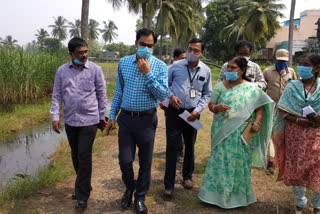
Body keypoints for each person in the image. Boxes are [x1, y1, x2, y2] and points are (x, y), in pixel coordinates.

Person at [105, 28, 168, 214]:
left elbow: (163, 94)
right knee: (125, 161)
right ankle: (129, 187)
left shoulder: (160, 66)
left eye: (150, 46)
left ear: (153, 47)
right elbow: (118, 91)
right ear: (136, 44)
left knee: (145, 162)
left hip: (147, 120)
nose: (146, 48)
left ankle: (140, 197)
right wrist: (112, 116)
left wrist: (147, 73)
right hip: (125, 119)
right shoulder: (124, 62)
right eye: (143, 44)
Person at [199, 56, 274, 208]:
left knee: (240, 163)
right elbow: (211, 104)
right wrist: (217, 108)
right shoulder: (221, 86)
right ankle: (216, 197)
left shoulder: (252, 88)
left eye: (232, 68)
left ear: (242, 70)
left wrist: (258, 121)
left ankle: (238, 197)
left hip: (242, 133)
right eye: (228, 68)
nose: (229, 71)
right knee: (220, 162)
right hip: (222, 130)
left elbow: (260, 108)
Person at [50, 37, 108, 209]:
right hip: (70, 120)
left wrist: (102, 117)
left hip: (89, 120)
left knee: (84, 156)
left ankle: (82, 195)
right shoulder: (61, 71)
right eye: (80, 52)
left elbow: (101, 94)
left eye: (86, 51)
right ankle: (82, 183)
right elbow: (57, 96)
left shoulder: (95, 70)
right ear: (71, 54)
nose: (84, 55)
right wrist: (55, 116)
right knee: (75, 155)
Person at [164, 38, 212, 198]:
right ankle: (169, 184)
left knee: (190, 146)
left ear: (202, 53)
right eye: (190, 49)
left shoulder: (206, 71)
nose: (192, 53)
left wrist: (198, 111)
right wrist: (171, 97)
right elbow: (164, 85)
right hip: (175, 112)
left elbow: (207, 94)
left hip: (192, 113)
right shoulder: (175, 67)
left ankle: (187, 177)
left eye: (196, 51)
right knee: (171, 147)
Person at [272, 54, 320, 214]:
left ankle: (317, 205)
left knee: (317, 169)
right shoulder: (292, 87)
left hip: (317, 135)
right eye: (301, 64)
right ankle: (300, 203)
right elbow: (282, 110)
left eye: (306, 65)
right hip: (296, 135)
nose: (301, 67)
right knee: (297, 169)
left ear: (317, 68)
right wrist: (299, 120)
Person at [263, 49, 297, 173]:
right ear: (275, 60)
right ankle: (271, 161)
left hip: (287, 108)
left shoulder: (291, 72)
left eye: (284, 61)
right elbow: (262, 89)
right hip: (271, 107)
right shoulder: (267, 72)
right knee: (271, 134)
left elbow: (295, 88)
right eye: (279, 60)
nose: (281, 63)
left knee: (285, 134)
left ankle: (284, 159)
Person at [160, 48, 186, 163]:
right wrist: (162, 102)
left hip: (184, 104)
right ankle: (175, 151)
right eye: (182, 58)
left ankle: (180, 150)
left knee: (185, 128)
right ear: (175, 58)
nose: (184, 60)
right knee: (173, 130)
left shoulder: (187, 69)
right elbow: (163, 86)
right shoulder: (168, 69)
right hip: (170, 105)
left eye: (185, 58)